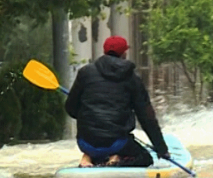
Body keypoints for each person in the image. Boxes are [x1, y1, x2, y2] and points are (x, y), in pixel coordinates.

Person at [65, 35, 169, 167]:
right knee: (145, 158)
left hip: (85, 142)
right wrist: (161, 149)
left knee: (102, 144)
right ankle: (117, 158)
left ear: (104, 51)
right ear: (124, 53)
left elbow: (70, 109)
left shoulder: (85, 73)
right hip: (117, 143)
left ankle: (88, 158)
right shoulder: (132, 78)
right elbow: (147, 117)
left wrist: (87, 113)